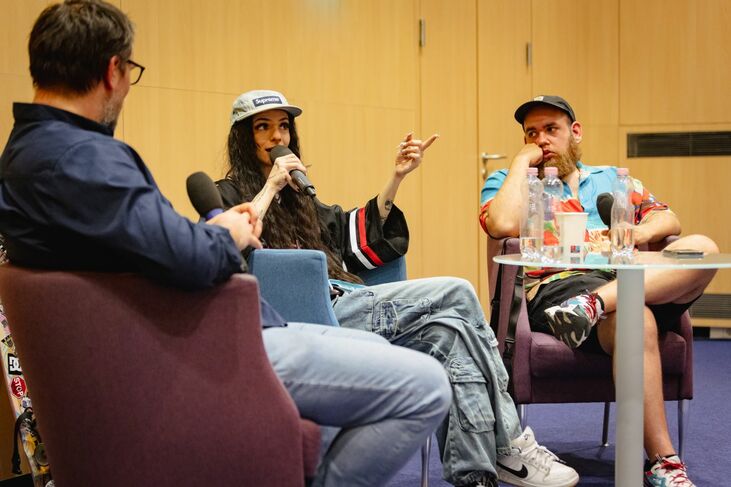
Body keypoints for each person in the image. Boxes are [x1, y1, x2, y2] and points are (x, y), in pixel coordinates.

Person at [0, 2, 455, 486]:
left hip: (188, 338)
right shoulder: (87, 161)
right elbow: (192, 259)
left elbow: (148, 246)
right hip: (205, 347)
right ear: (114, 70)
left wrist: (207, 235)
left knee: (365, 345)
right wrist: (229, 234)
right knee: (426, 385)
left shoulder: (25, 157)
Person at [217, 89, 580, 487]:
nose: (277, 137)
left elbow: (353, 236)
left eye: (283, 126)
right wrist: (270, 187)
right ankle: (511, 440)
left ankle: (474, 475)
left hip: (348, 299)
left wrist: (397, 177)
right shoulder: (229, 194)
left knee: (452, 332)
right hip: (303, 321)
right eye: (263, 127)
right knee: (458, 291)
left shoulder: (302, 199)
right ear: (242, 136)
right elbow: (230, 247)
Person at [480, 95, 719, 487]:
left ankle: (594, 304)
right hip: (558, 288)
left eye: (551, 130)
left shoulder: (611, 179)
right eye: (531, 133)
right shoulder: (513, 183)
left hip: (626, 280)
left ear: (575, 133)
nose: (541, 140)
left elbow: (667, 217)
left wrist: (637, 232)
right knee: (635, 318)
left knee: (703, 248)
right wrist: (521, 163)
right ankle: (664, 463)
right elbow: (502, 224)